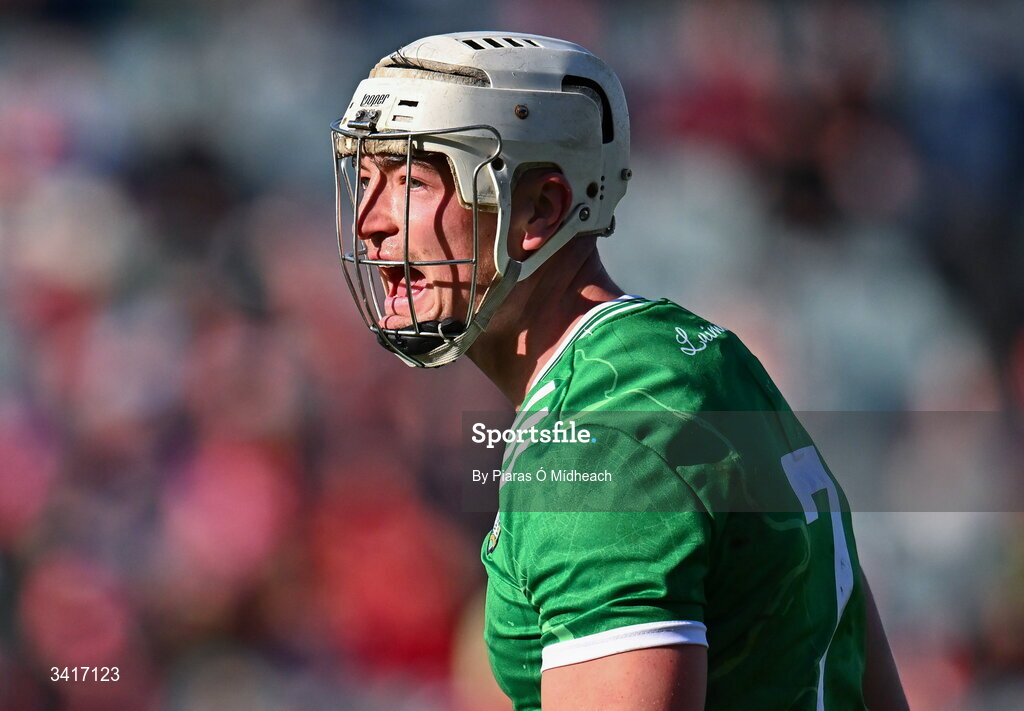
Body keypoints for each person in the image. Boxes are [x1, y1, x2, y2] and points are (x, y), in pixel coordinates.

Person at [330, 32, 909, 711]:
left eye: (412, 182)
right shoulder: (695, 355)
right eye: (366, 178)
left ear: (539, 210)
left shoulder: (602, 437)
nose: (369, 220)